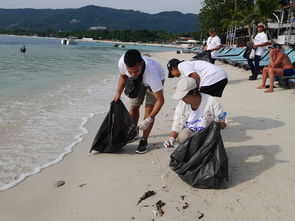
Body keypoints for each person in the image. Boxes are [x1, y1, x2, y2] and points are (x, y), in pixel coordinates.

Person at [114, 49, 165, 154]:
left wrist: (149, 120)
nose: (133, 74)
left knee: (149, 109)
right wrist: (118, 93)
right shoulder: (122, 63)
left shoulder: (151, 74)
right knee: (134, 107)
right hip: (137, 82)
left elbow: (161, 100)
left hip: (155, 81)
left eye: (136, 71)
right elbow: (123, 76)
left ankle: (144, 140)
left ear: (141, 63)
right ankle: (133, 132)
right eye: (130, 71)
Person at [163, 77, 226, 148]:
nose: (182, 99)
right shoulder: (182, 104)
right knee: (182, 137)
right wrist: (171, 138)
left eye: (184, 96)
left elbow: (222, 123)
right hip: (190, 133)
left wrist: (220, 123)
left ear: (193, 92)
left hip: (207, 134)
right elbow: (177, 124)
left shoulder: (211, 102)